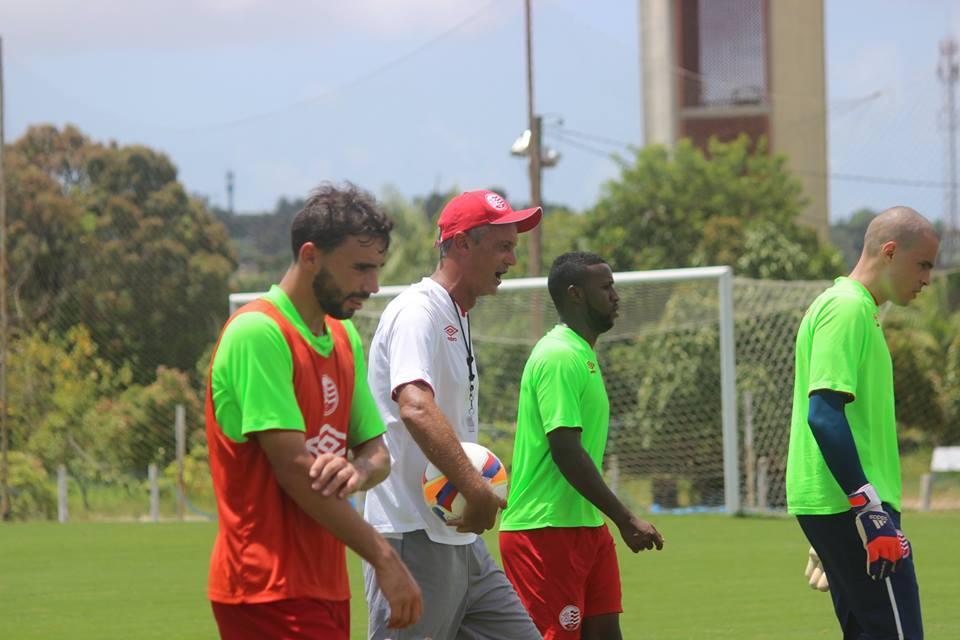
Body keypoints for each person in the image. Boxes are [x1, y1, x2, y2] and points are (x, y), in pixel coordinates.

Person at [205, 183, 422, 639]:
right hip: (264, 587)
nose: (372, 285)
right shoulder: (259, 333)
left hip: (325, 588)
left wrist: (357, 473)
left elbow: (377, 453)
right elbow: (293, 469)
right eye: (360, 268)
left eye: (377, 269)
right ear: (310, 256)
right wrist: (384, 557)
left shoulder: (343, 338)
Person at [363, 190, 543, 639]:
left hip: (459, 538)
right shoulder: (416, 311)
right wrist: (474, 487)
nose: (513, 259)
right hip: (412, 537)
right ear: (462, 244)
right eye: (503, 246)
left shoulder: (456, 314)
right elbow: (414, 405)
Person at [786, 206, 938, 640]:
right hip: (857, 509)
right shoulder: (846, 308)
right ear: (890, 252)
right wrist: (867, 510)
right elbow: (823, 414)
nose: (927, 279)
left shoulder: (855, 309)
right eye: (923, 264)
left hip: (844, 509)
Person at [499, 251, 664, 640]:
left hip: (585, 524)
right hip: (545, 528)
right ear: (575, 294)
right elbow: (565, 450)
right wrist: (626, 519)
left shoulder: (581, 353)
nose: (615, 296)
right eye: (605, 288)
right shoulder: (558, 355)